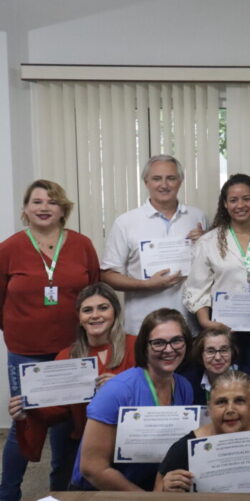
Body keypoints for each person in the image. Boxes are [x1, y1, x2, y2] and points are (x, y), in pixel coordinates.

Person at [0, 179, 100, 499]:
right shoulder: (9, 248)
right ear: (26, 209)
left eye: (52, 202)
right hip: (25, 353)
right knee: (25, 426)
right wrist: (18, 331)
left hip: (71, 352)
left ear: (63, 209)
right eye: (37, 201)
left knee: (67, 429)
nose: (44, 207)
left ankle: (60, 493)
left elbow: (94, 291)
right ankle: (7, 492)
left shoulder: (82, 245)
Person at [8, 283, 137, 492]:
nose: (95, 315)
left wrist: (121, 387)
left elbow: (155, 396)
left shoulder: (136, 347)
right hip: (86, 446)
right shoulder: (67, 356)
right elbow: (56, 412)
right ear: (79, 317)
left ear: (115, 311)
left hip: (131, 442)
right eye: (88, 310)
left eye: (103, 308)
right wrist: (27, 411)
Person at [70, 308, 194, 491]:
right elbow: (92, 469)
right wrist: (145, 498)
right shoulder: (117, 391)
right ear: (144, 346)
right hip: (100, 490)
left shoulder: (184, 387)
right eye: (158, 343)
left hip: (150, 483)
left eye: (177, 340)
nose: (169, 349)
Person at [183, 174, 250, 376]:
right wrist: (206, 323)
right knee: (222, 385)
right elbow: (197, 287)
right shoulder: (209, 241)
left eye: (246, 198)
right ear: (225, 204)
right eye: (233, 200)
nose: (241, 205)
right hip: (222, 329)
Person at [101, 155, 208, 335]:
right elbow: (108, 275)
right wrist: (146, 285)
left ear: (180, 181)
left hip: (189, 325)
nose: (164, 185)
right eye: (157, 178)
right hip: (141, 327)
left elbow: (211, 267)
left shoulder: (197, 217)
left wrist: (206, 241)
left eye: (171, 178)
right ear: (146, 182)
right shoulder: (126, 222)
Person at [155, 370, 250, 494]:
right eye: (221, 402)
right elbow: (155, 495)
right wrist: (164, 491)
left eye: (239, 401)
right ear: (210, 407)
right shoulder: (186, 447)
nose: (230, 410)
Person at [184, 325, 238, 405]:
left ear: (232, 352)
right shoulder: (187, 383)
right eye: (210, 351)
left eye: (224, 350)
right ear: (200, 354)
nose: (218, 357)